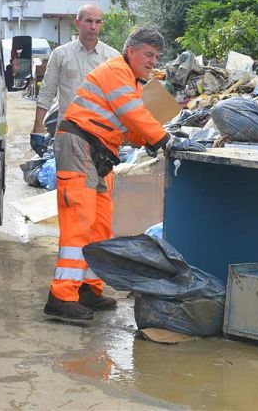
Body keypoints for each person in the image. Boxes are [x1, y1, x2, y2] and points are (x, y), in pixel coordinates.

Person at [43, 27, 173, 322]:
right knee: (79, 222)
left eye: (156, 57)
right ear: (132, 51)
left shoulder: (130, 81)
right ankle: (61, 297)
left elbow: (126, 127)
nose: (153, 62)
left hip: (98, 153)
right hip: (80, 147)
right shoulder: (116, 72)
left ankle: (89, 288)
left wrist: (149, 140)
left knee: (100, 225)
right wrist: (163, 139)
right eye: (148, 55)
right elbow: (131, 113)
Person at [29, 5, 118, 156]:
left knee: (98, 180)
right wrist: (38, 129)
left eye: (98, 22)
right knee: (68, 179)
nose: (93, 26)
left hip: (101, 137)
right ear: (77, 23)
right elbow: (46, 93)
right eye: (88, 21)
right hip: (67, 135)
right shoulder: (61, 55)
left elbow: (119, 99)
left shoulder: (112, 58)